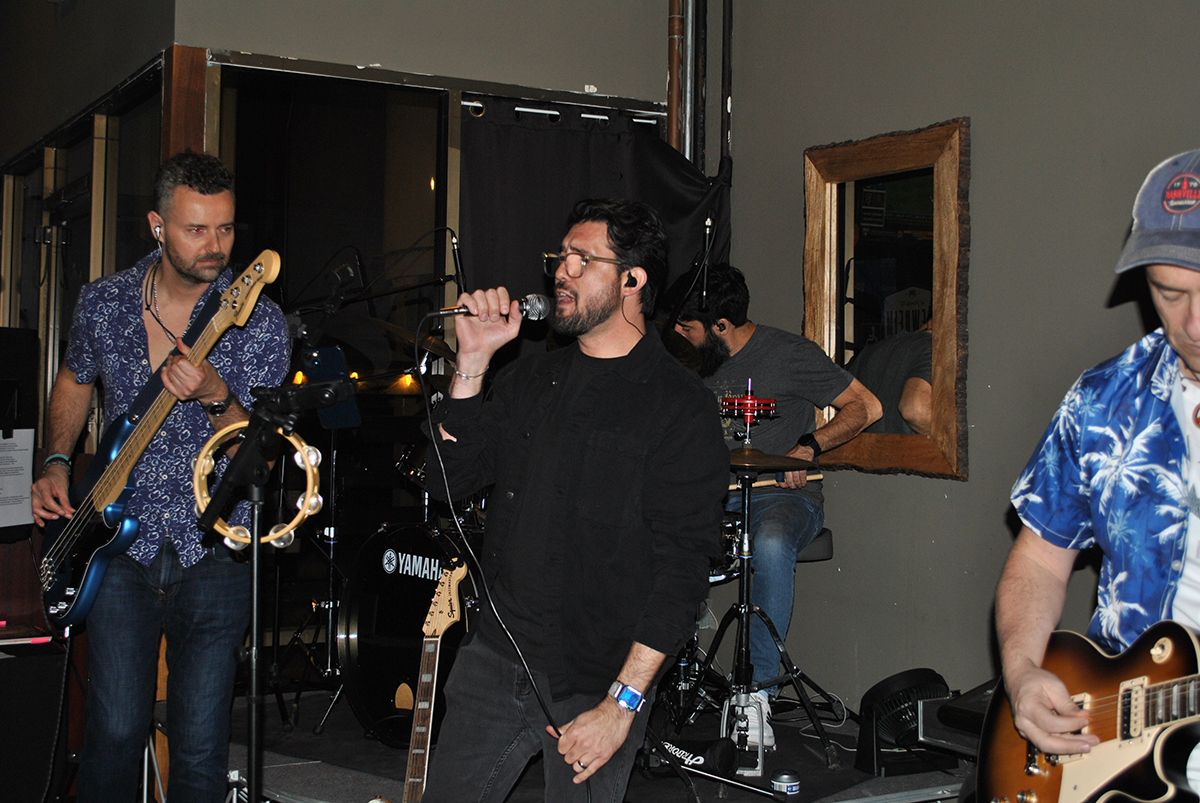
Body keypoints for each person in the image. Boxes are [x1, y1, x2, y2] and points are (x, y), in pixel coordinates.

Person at [420, 198, 728, 801]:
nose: (561, 271)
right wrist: (473, 361)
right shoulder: (529, 380)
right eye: (560, 257)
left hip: (595, 682)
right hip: (496, 658)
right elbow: (446, 483)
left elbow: (682, 572)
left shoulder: (678, 404)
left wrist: (622, 705)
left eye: (582, 260)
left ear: (632, 280)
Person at [30, 150, 290, 802]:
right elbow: (74, 380)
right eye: (196, 229)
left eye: (225, 228)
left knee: (199, 743)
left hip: (216, 545)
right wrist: (56, 460)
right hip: (118, 547)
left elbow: (261, 455)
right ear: (157, 225)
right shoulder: (104, 302)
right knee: (115, 730)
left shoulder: (258, 319)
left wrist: (216, 394)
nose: (215, 245)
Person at [998, 149, 1200, 783]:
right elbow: (1039, 559)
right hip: (1115, 755)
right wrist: (1022, 671)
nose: (1194, 323)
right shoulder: (1104, 399)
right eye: (1170, 294)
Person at [672, 263, 881, 748]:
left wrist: (808, 446)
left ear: (720, 325)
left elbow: (867, 406)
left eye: (688, 326)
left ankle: (758, 694)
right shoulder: (694, 365)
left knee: (768, 543)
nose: (681, 335)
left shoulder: (789, 353)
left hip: (783, 497)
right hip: (715, 497)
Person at [848, 319, 933, 435]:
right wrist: (953, 437)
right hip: (911, 445)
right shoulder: (934, 349)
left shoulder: (871, 350)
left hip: (864, 445)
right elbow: (915, 411)